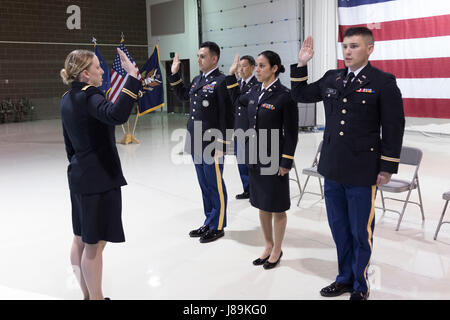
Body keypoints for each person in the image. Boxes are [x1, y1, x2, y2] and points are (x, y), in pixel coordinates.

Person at [290, 27, 405, 300]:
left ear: (370, 48)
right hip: (332, 167)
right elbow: (301, 95)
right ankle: (343, 278)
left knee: (360, 231)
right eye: (345, 47)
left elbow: (393, 126)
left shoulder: (382, 82)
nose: (348, 51)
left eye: (354, 46)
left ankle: (360, 284)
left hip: (362, 169)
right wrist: (302, 64)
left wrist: (387, 166)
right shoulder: (333, 78)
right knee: (339, 227)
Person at [60, 48, 140, 300]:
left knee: (80, 239)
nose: (102, 71)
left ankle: (86, 295)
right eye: (97, 67)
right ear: (86, 74)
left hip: (79, 175)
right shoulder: (91, 96)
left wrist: (80, 165)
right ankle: (96, 297)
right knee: (94, 245)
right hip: (99, 178)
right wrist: (133, 78)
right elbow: (116, 115)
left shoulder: (66, 97)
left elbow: (68, 144)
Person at [226, 50, 298, 269]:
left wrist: (286, 161)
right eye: (256, 66)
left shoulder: (284, 96)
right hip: (255, 158)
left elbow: (292, 133)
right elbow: (237, 101)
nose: (257, 69)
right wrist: (231, 77)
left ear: (274, 68)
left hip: (274, 159)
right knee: (262, 205)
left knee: (277, 207)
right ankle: (268, 245)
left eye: (261, 66)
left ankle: (277, 249)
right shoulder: (255, 91)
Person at [169, 41, 234, 243]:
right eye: (198, 55)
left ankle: (218, 225)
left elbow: (227, 115)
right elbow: (182, 96)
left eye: (202, 56)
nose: (198, 59)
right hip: (195, 140)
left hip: (212, 143)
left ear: (214, 58)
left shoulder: (221, 81)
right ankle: (209, 221)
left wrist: (224, 144)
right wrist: (174, 74)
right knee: (204, 184)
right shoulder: (198, 79)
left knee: (215, 185)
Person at [233, 55, 259, 200]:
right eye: (239, 66)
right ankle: (247, 189)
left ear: (252, 67)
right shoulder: (235, 85)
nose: (240, 69)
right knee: (241, 161)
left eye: (243, 66)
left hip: (251, 130)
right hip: (238, 129)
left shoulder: (256, 85)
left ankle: (256, 189)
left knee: (252, 161)